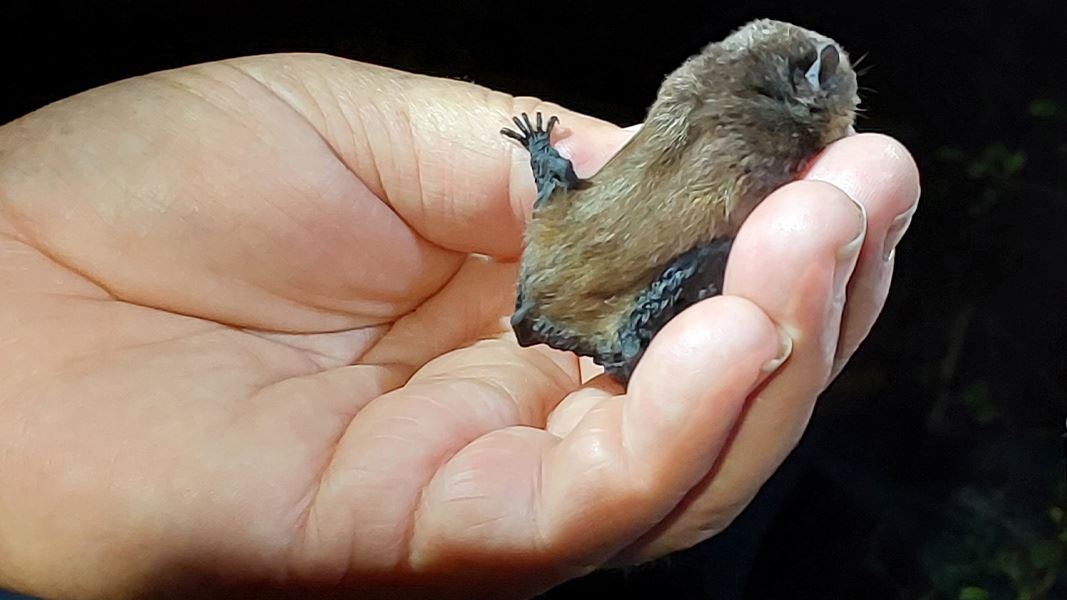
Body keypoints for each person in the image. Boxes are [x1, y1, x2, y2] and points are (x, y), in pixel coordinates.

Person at [0, 53, 919, 599]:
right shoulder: (752, 159)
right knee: (743, 279)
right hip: (603, 295)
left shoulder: (688, 134)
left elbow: (601, 192)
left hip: (558, 271)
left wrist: (542, 161)